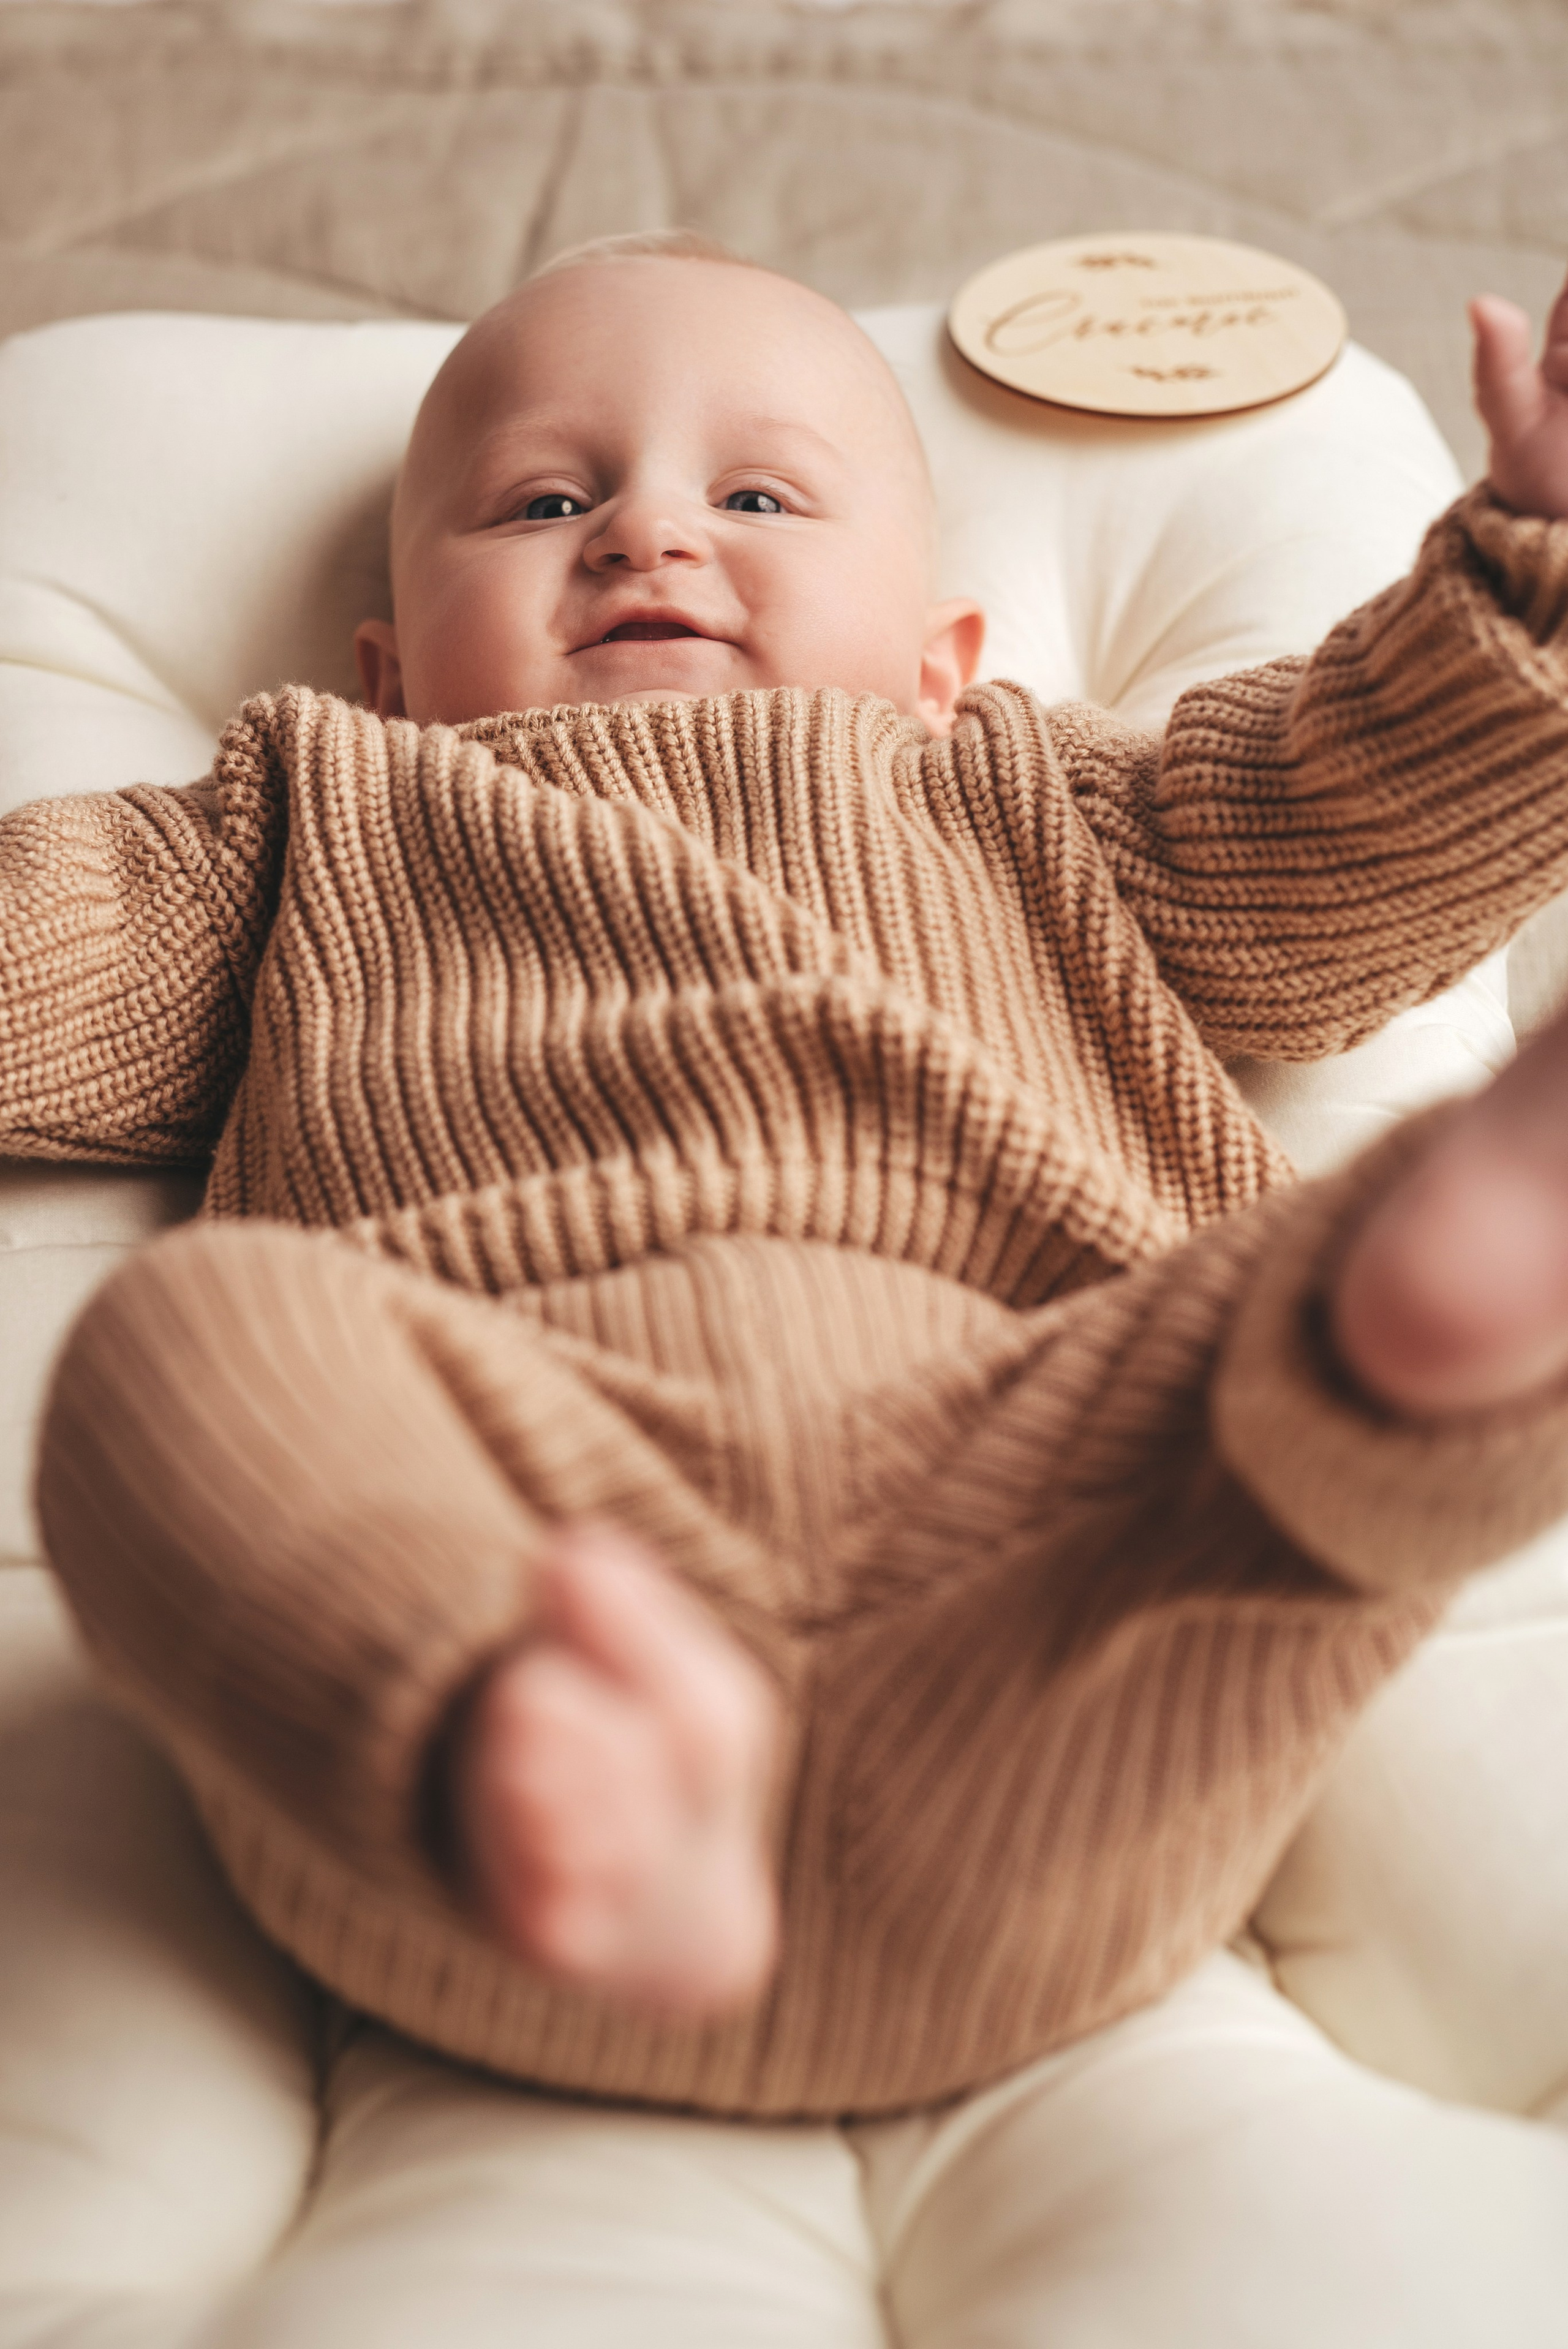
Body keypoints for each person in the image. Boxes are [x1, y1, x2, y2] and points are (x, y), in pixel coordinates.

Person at [8, 230, 1568, 2338]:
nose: (649, 524)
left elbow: (1331, 833)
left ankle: (1406, 1336)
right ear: (387, 670)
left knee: (1243, 1341)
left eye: (757, 497)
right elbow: (36, 969)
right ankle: (489, 1731)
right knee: (183, 1355)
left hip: (1032, 1590)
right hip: (514, 1546)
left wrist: (1528, 576)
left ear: (943, 659)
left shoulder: (1021, 795)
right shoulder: (313, 817)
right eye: (548, 500)